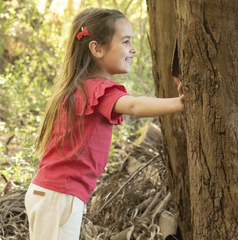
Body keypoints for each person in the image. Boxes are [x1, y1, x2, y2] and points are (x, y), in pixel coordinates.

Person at [24, 7, 184, 240]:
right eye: (126, 41)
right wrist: (180, 103)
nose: (134, 49)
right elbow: (135, 106)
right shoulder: (97, 90)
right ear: (97, 49)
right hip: (58, 195)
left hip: (52, 194)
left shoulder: (80, 87)